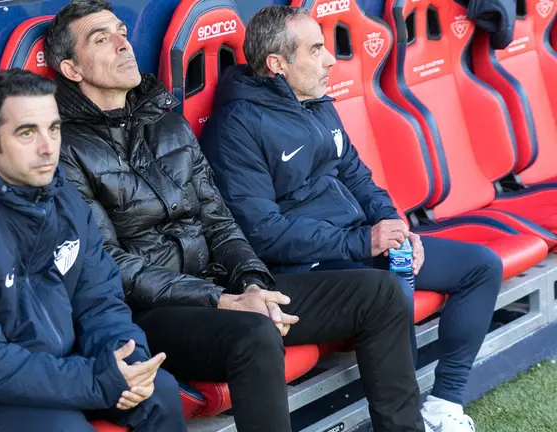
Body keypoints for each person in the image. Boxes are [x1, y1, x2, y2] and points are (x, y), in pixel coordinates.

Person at [43, 2, 425, 431]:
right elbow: (110, 265)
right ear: (72, 69)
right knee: (254, 334)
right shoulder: (61, 148)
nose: (123, 43)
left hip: (222, 289)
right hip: (150, 313)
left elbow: (220, 221)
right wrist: (223, 300)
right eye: (102, 38)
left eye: (121, 31)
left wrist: (252, 283)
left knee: (380, 293)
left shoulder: (166, 121)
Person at [199, 5, 503, 432]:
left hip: (358, 241)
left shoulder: (317, 103)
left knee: (481, 267)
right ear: (278, 64)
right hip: (311, 264)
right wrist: (363, 242)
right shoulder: (236, 126)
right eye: (316, 49)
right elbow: (262, 233)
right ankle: (406, 415)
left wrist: (395, 226)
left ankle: (443, 403)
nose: (330, 60)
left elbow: (357, 175)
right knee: (389, 290)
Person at [0, 69, 186, 432]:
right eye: (26, 132)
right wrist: (97, 380)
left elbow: (101, 301)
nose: (48, 146)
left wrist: (128, 362)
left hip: (57, 367)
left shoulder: (66, 202)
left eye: (53, 128)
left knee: (158, 391)